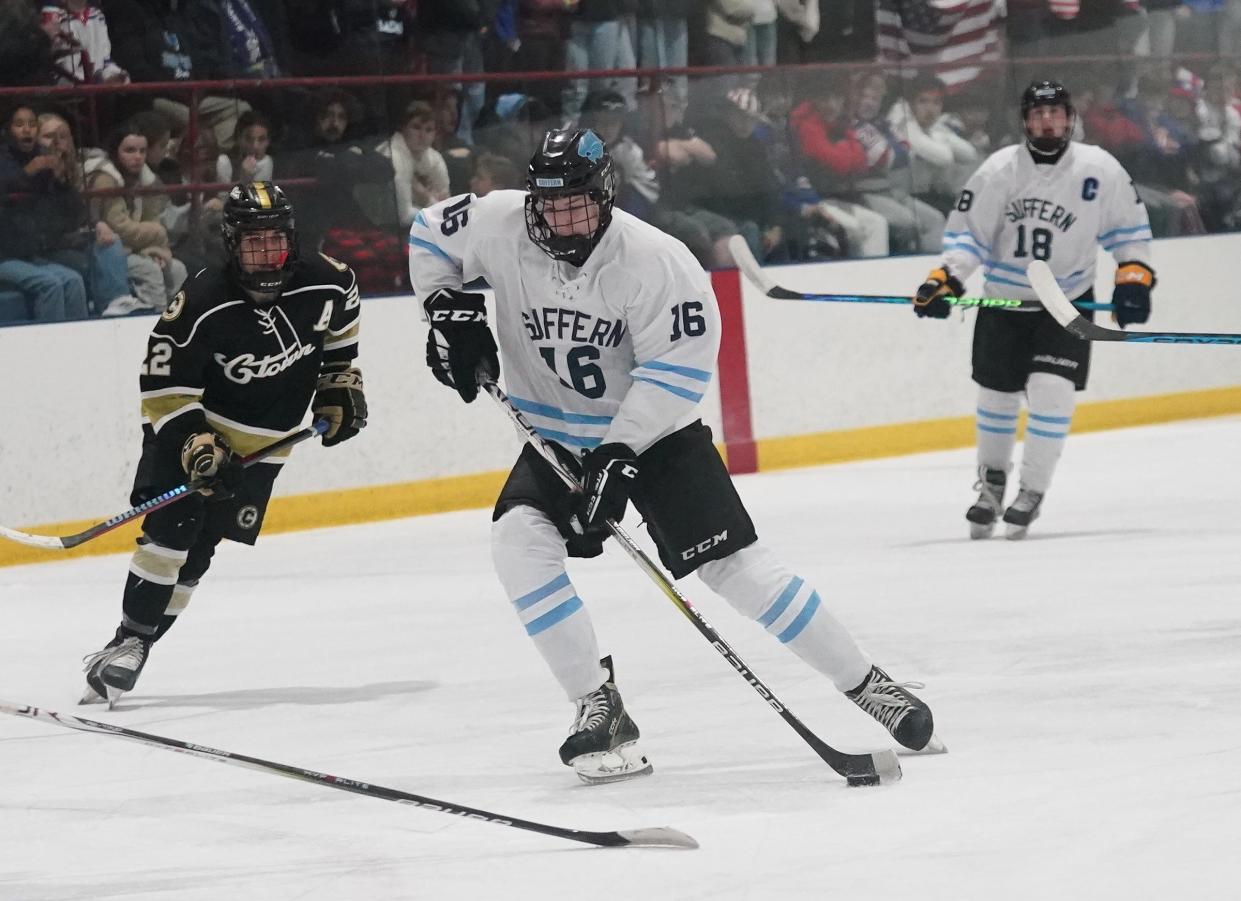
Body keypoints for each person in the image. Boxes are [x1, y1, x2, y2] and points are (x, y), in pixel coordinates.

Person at [408, 127, 938, 784]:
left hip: (653, 438)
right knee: (517, 541)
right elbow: (428, 233)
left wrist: (620, 449)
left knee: (736, 571)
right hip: (552, 435)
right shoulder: (496, 222)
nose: (561, 218)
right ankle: (597, 708)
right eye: (548, 204)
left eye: (576, 203)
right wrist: (446, 310)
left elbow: (677, 369)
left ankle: (867, 683)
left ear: (604, 194)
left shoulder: (656, 260)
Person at [81, 182, 368, 707]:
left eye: (275, 242)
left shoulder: (329, 282)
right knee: (171, 532)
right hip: (192, 430)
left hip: (268, 442)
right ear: (233, 244)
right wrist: (196, 443)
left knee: (201, 551)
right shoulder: (200, 302)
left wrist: (338, 382)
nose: (266, 256)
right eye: (254, 244)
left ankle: (134, 646)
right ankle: (129, 641)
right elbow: (163, 390)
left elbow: (342, 327)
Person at [912, 81, 1154, 540]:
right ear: (1025, 120)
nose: (1048, 121)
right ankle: (990, 487)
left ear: (1070, 118)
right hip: (1005, 300)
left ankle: (1032, 490)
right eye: (1039, 113)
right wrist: (944, 281)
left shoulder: (1099, 169)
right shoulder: (999, 169)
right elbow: (968, 238)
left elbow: (1129, 234)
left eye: (1056, 113)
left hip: (1067, 302)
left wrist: (1133, 280)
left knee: (1051, 390)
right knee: (997, 396)